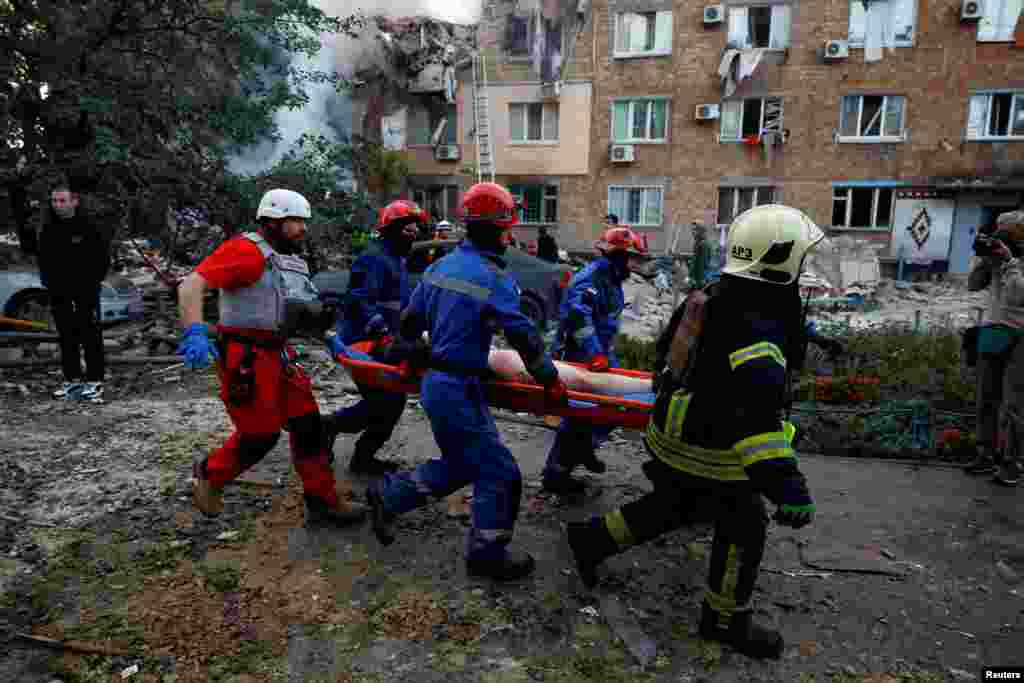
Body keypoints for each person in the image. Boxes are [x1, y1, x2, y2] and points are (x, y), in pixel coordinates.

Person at [565, 204, 821, 660]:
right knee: (744, 524)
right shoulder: (758, 331)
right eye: (801, 258)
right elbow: (756, 424)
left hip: (672, 428)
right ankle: (724, 620)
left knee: (677, 505)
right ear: (781, 261)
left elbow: (674, 353)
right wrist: (789, 489)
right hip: (709, 447)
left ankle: (591, 539)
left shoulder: (715, 294)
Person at [364, 182, 568, 581]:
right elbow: (523, 335)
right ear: (500, 229)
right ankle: (487, 553)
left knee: (462, 465)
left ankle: (388, 496)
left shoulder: (439, 267)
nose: (509, 235)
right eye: (507, 228)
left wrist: (417, 355)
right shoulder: (494, 277)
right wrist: (549, 378)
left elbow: (409, 323)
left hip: (439, 384)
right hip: (457, 388)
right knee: (500, 472)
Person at [177, 189, 367, 525]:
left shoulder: (290, 262)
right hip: (246, 358)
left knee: (308, 427)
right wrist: (194, 330)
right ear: (272, 222)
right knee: (260, 435)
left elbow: (300, 312)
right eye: (295, 221)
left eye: (304, 222)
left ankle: (323, 500)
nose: (303, 229)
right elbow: (191, 285)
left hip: (279, 354)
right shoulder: (245, 251)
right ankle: (209, 474)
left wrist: (331, 339)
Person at [541, 226, 649, 495]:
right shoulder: (592, 279)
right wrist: (594, 353)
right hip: (580, 354)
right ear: (618, 256)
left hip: (600, 352)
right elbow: (579, 317)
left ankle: (584, 449)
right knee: (581, 413)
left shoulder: (611, 278)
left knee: (613, 408)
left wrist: (603, 353)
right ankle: (557, 473)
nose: (636, 265)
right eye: (632, 258)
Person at [321, 200, 425, 475]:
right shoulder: (373, 258)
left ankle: (360, 455)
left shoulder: (396, 259)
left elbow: (397, 305)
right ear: (390, 229)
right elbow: (360, 300)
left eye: (416, 228)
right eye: (408, 228)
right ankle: (330, 427)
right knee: (386, 402)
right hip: (361, 344)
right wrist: (382, 331)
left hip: (379, 343)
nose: (414, 233)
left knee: (391, 402)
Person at [963, 209, 1024, 487]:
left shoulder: (1013, 261)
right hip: (993, 329)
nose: (1002, 237)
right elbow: (972, 286)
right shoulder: (998, 259)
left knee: (1013, 402)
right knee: (986, 397)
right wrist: (985, 262)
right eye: (1000, 231)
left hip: (1019, 334)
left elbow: (1017, 296)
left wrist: (1010, 263)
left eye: (1008, 232)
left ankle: (1012, 461)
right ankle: (985, 454)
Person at [39, 185, 112, 402]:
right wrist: (49, 282)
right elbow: (43, 259)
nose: (57, 205)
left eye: (62, 200)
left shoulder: (89, 227)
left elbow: (102, 259)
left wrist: (91, 281)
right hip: (59, 291)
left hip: (85, 291)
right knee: (66, 335)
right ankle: (72, 381)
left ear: (74, 201)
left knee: (90, 334)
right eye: (54, 201)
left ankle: (95, 381)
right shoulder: (49, 229)